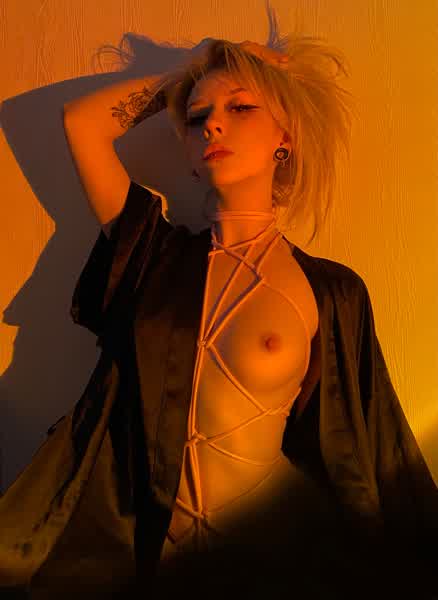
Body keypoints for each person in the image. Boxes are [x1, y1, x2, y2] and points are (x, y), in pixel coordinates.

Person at [1, 33, 438, 600]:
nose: (212, 125)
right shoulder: (151, 256)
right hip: (139, 559)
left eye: (241, 107)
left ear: (286, 137)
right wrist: (191, 69)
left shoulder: (331, 292)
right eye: (196, 117)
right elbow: (81, 124)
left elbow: (370, 442)